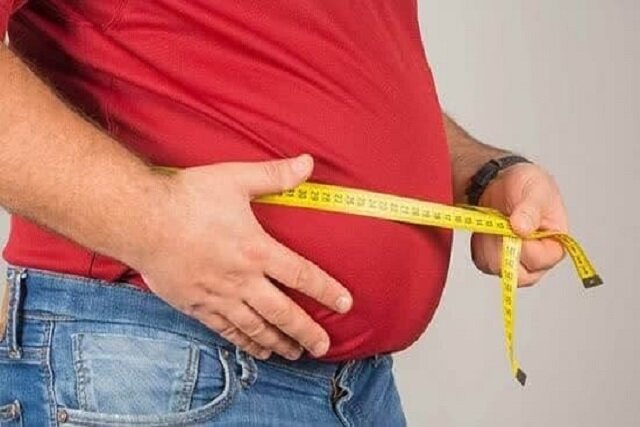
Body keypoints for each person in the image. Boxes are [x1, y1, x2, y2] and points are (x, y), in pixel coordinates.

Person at [0, 2, 568, 426]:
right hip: (158, 358)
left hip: (361, 391)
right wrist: (152, 221)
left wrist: (478, 171)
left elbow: (327, 78)